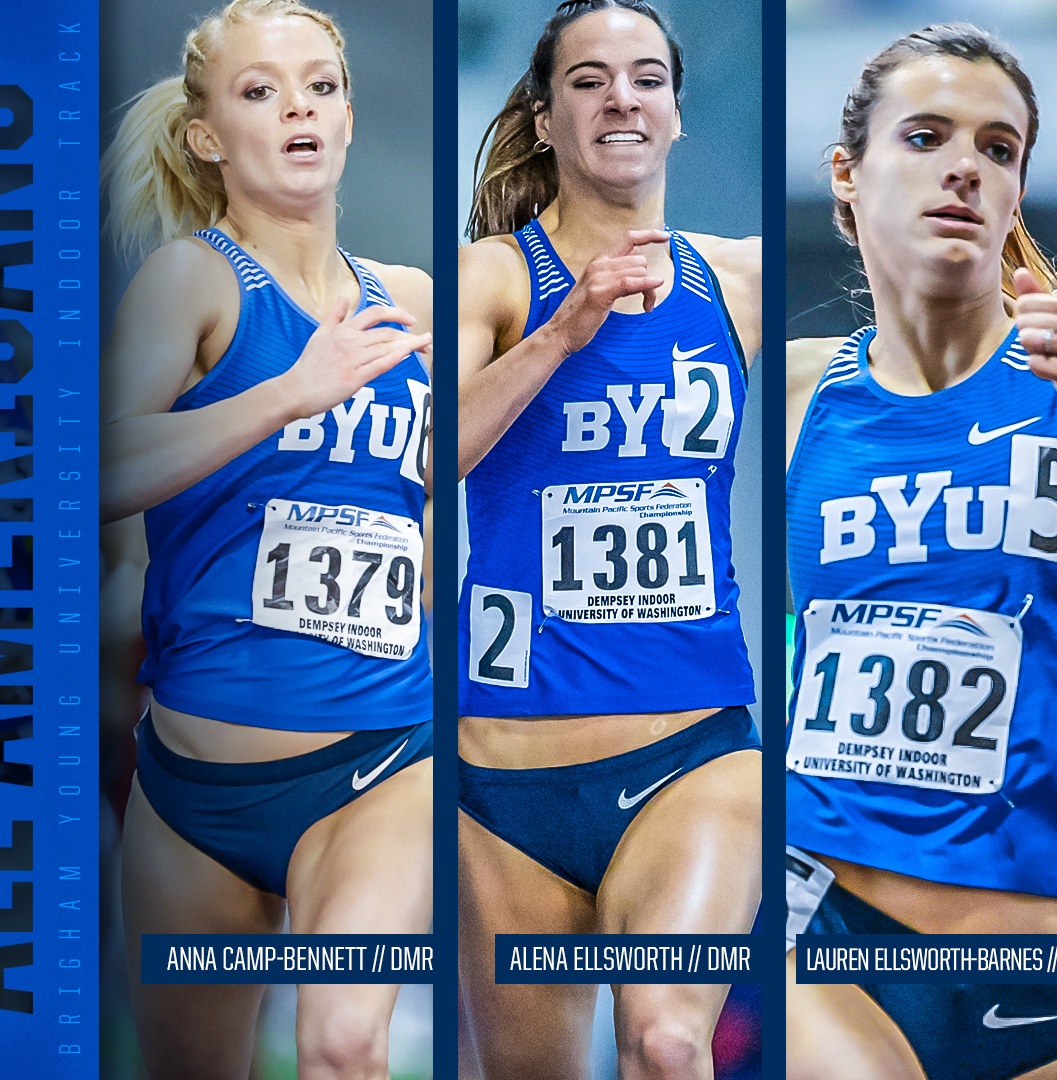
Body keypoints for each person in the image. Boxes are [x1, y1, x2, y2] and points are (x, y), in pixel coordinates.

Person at [100, 2, 434, 1077]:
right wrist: (288, 393)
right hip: (196, 787)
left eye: (321, 86)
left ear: (345, 117)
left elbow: (426, 516)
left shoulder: (411, 302)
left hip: (382, 759)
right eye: (259, 91)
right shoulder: (192, 281)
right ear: (209, 135)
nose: (298, 107)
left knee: (344, 1046)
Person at [455, 1, 763, 1076]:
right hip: (505, 782)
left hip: (692, 757)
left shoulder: (737, 279)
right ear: (546, 119)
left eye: (645, 77)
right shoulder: (496, 278)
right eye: (588, 79)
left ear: (677, 112)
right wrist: (566, 330)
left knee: (669, 1045)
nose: (621, 96)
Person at [781, 24, 1057, 1080]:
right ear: (847, 175)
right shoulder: (795, 390)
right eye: (925, 135)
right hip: (827, 931)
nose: (966, 164)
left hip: (1041, 954)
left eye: (998, 149)